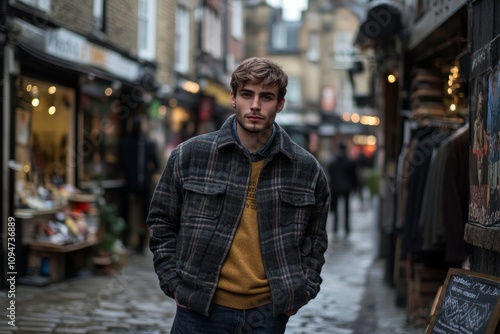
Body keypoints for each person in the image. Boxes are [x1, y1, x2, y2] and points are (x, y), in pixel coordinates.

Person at [147, 57, 330, 333]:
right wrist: (174, 284)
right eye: (247, 94)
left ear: (280, 104)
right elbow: (161, 222)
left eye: (266, 97)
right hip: (199, 311)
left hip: (268, 315)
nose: (255, 105)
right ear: (233, 98)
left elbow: (315, 240)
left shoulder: (306, 170)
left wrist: (300, 290)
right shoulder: (190, 155)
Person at [118, 115, 159, 254]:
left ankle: (137, 242)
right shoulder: (139, 143)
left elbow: (156, 164)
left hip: (138, 184)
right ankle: (133, 241)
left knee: (140, 214)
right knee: (134, 213)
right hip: (134, 184)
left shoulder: (145, 144)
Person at [327, 142, 358, 236]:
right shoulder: (350, 161)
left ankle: (335, 228)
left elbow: (330, 174)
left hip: (335, 187)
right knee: (346, 209)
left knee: (335, 209)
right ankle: (347, 228)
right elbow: (353, 176)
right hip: (347, 188)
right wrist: (355, 187)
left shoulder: (333, 162)